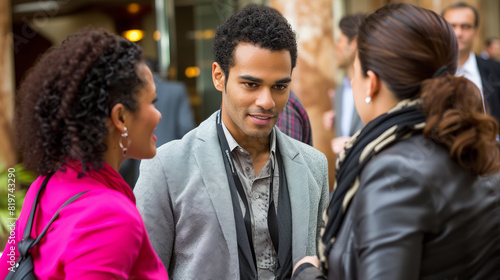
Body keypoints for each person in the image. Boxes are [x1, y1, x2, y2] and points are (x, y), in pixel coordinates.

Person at [293, 3, 500, 279]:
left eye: (354, 72)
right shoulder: (469, 141)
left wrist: (305, 273)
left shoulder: (394, 171)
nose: (351, 82)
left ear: (371, 83)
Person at [134, 4, 329, 280]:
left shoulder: (314, 166)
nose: (267, 101)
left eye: (280, 86)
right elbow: (144, 273)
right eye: (251, 84)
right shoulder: (166, 167)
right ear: (218, 77)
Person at [0, 29, 168, 279]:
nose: (159, 114)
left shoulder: (45, 185)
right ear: (120, 117)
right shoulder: (110, 217)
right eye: (152, 102)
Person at [120, 68, 195, 188]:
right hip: (173, 166)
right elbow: (186, 127)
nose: (158, 115)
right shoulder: (176, 90)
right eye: (151, 102)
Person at [442, 2, 500, 124]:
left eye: (466, 26)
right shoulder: (428, 72)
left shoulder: (496, 70)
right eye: (452, 26)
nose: (458, 33)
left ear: (476, 32)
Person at [323, 14, 364, 154]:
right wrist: (336, 116)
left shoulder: (372, 86)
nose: (336, 47)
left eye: (340, 41)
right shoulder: (339, 90)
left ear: (354, 44)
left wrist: (350, 144)